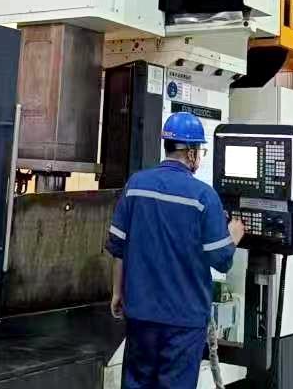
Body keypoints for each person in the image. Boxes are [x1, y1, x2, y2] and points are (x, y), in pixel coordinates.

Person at [106, 111, 246, 389]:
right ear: (191, 153)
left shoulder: (136, 186)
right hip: (184, 319)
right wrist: (233, 235)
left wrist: (117, 293)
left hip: (141, 313)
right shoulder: (204, 197)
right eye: (200, 151)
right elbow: (221, 259)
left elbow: (118, 247)